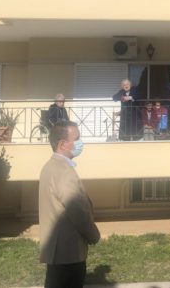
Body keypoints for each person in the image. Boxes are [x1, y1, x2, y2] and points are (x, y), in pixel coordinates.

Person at [39, 121, 100, 288]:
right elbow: (77, 210)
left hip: (56, 251)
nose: (80, 143)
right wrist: (93, 234)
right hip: (69, 252)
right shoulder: (64, 171)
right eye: (77, 138)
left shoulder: (49, 167)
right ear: (63, 144)